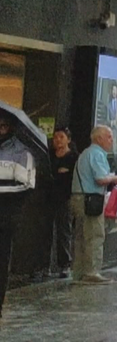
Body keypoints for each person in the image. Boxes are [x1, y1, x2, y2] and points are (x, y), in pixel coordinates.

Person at [70, 125, 117, 285]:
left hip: (78, 198)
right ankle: (92, 272)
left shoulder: (85, 153)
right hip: (90, 199)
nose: (111, 140)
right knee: (95, 235)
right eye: (109, 137)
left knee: (80, 236)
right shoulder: (97, 154)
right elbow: (100, 178)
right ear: (99, 138)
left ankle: (78, 271)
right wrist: (113, 178)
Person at [0, 113, 35, 317]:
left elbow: (26, 185)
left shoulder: (22, 153)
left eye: (3, 126)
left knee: (2, 260)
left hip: (6, 216)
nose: (0, 130)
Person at [49, 127, 79, 280]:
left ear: (68, 139)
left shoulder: (73, 157)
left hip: (66, 198)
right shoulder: (49, 156)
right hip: (49, 198)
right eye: (55, 137)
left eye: (61, 137)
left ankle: (65, 264)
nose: (58, 140)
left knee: (64, 231)